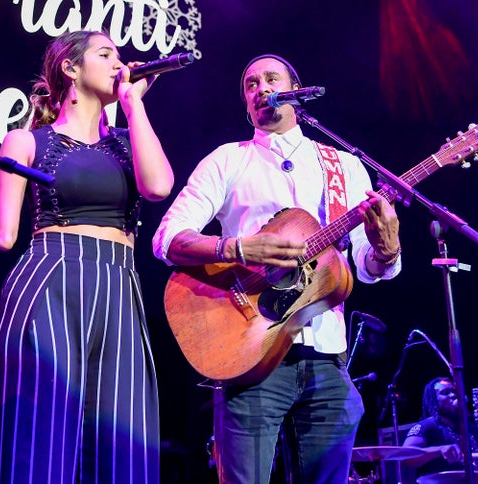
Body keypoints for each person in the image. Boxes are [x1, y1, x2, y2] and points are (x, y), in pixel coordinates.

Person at [152, 54, 402, 483]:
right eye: (250, 84)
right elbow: (167, 239)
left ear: (296, 92)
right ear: (246, 104)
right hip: (248, 353)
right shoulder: (228, 160)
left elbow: (366, 264)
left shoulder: (343, 166)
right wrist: (240, 248)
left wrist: (387, 250)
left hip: (326, 354)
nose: (260, 88)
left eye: (271, 79)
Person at [0, 29, 174, 483]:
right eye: (105, 55)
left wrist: (135, 106)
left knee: (123, 432)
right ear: (70, 68)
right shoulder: (27, 142)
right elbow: (6, 236)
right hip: (52, 276)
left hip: (119, 283)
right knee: (41, 429)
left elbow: (159, 186)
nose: (118, 64)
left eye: (118, 57)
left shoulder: (127, 141)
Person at [402, 376, 478, 478]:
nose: (453, 395)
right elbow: (405, 457)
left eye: (454, 391)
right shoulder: (427, 427)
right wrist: (439, 450)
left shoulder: (471, 428)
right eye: (445, 392)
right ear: (434, 401)